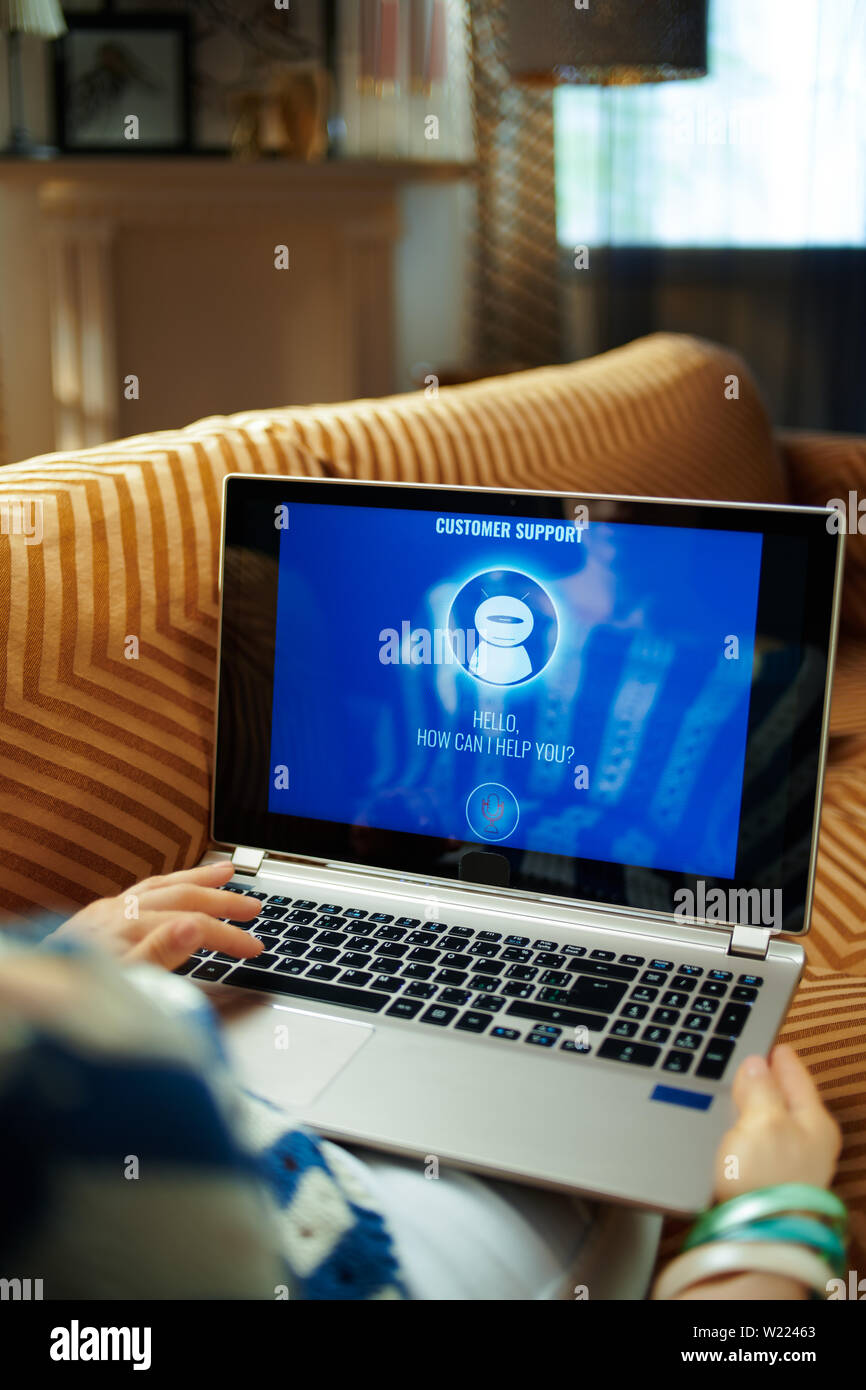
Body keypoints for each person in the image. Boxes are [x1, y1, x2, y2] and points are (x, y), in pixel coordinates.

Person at [0, 862, 843, 1301]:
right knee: (637, 1126)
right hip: (378, 1260)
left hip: (255, 1169)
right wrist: (767, 1228)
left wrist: (52, 984)